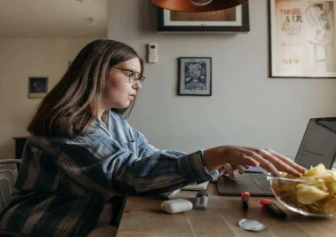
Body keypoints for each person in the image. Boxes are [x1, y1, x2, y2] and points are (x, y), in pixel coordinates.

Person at [0, 40, 306, 237]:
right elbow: (129, 175)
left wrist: (213, 163)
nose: (138, 86)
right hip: (49, 223)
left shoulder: (112, 121)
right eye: (131, 75)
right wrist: (217, 153)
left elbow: (148, 157)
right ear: (97, 71)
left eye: (139, 78)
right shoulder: (65, 127)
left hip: (93, 215)